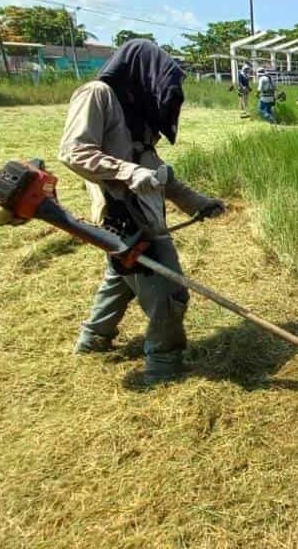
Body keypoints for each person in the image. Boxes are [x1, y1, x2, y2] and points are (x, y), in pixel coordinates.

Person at [58, 39, 226, 384]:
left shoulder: (138, 112)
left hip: (145, 215)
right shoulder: (97, 94)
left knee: (121, 278)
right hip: (122, 217)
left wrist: (197, 203)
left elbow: (155, 170)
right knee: (168, 291)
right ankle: (163, 367)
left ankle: (91, 342)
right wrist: (128, 172)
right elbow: (73, 152)